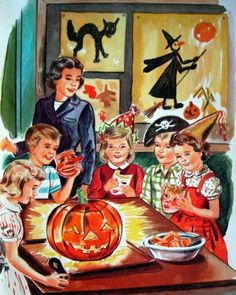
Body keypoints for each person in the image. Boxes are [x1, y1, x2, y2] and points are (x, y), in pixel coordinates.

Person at [1, 56, 96, 195]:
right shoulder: (42, 105)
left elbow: (89, 148)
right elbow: (35, 137)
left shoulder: (83, 108)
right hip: (40, 172)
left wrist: (86, 183)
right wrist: (16, 148)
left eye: (77, 79)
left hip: (67, 173)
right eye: (68, 78)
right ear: (56, 79)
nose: (73, 84)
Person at [0, 160, 69, 294]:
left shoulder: (7, 205)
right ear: (19, 184)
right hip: (6, 280)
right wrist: (46, 280)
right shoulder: (7, 217)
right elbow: (12, 258)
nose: (35, 194)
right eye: (33, 188)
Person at [169, 112, 228, 263]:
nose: (182, 160)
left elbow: (214, 213)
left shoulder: (209, 181)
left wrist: (192, 210)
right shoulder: (181, 173)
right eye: (178, 156)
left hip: (202, 230)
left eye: (186, 154)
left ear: (200, 152)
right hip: (180, 223)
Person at [141, 116, 189, 216]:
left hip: (179, 224)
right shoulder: (151, 172)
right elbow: (145, 201)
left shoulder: (186, 173)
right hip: (155, 223)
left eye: (167, 147)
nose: (160, 150)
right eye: (157, 145)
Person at [25, 123, 81, 203]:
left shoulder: (51, 172)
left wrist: (71, 177)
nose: (52, 152)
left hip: (41, 212)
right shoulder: (20, 169)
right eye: (47, 147)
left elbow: (59, 199)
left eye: (55, 149)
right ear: (33, 149)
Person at [88, 126, 144, 199]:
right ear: (104, 150)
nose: (117, 151)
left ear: (129, 149)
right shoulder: (99, 171)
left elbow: (145, 198)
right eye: (111, 147)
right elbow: (91, 197)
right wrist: (105, 189)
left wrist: (133, 195)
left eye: (122, 147)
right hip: (106, 208)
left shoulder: (137, 170)